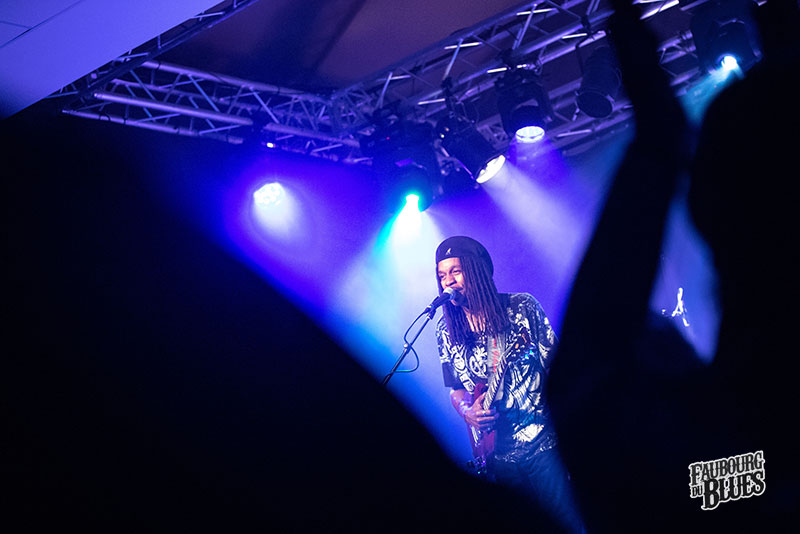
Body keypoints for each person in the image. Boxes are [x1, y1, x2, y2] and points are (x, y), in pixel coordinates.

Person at [434, 235, 584, 534]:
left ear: (475, 270)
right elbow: (456, 388)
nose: (448, 281)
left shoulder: (521, 308)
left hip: (543, 443)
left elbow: (558, 365)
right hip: (496, 456)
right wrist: (467, 412)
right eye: (442, 275)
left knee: (568, 522)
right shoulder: (445, 329)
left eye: (455, 271)